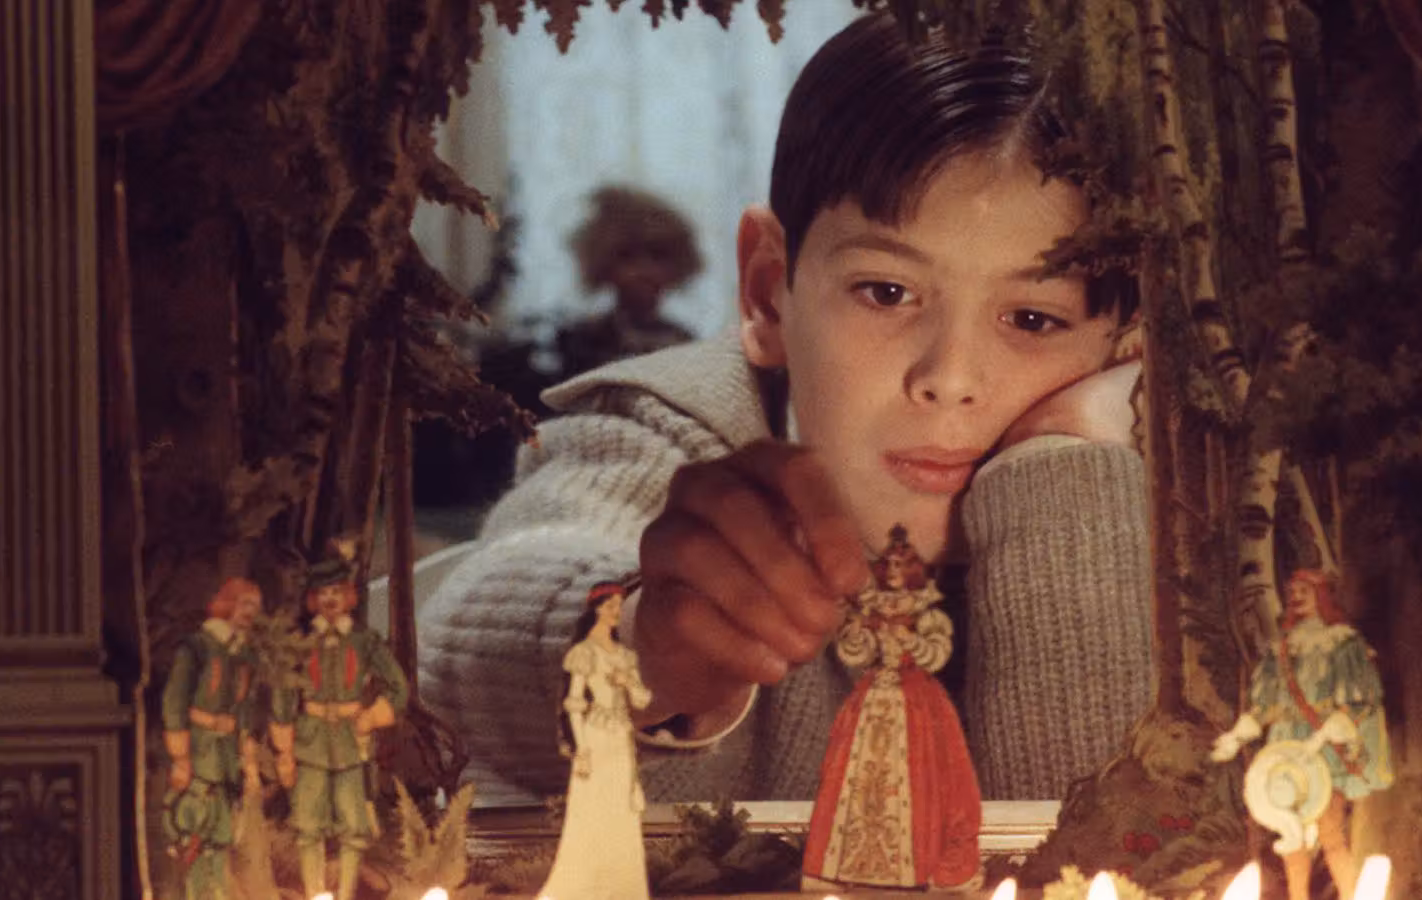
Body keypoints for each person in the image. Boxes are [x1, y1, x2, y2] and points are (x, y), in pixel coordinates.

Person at [419, 11, 1153, 803]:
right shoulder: (676, 429)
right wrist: (639, 643)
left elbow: (1120, 843)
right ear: (768, 292)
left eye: (1034, 319)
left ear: (1128, 343)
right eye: (886, 292)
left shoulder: (1195, 502)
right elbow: (482, 636)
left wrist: (1065, 474)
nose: (948, 378)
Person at [802, 525, 981, 890]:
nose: (895, 571)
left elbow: (936, 655)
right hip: (873, 699)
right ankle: (849, 867)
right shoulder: (873, 608)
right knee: (858, 778)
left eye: (901, 565)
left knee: (921, 774)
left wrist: (910, 642)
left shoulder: (925, 613)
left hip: (916, 702)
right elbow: (857, 654)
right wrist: (856, 633)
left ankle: (913, 865)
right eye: (890, 565)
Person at [1210, 570, 1393, 900]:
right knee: (1290, 836)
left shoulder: (1341, 643)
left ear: (1322, 594)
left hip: (1322, 751)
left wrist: (1320, 739)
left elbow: (1356, 703)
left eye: (1304, 590)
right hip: (1284, 751)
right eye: (1292, 590)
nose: (1296, 596)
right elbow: (1265, 707)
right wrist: (1236, 737)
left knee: (1331, 834)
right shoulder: (1281, 649)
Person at [271, 542, 409, 900]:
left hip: (351, 743)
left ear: (348, 596)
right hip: (310, 743)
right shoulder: (301, 642)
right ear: (314, 599)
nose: (330, 600)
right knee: (308, 825)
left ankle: (346, 894)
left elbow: (398, 687)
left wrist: (371, 716)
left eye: (336, 592)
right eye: (323, 593)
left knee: (353, 826)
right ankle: (314, 892)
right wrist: (284, 746)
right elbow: (284, 690)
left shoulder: (364, 642)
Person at [538, 580, 656, 900]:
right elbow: (574, 703)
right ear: (597, 610)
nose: (617, 612)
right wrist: (582, 748)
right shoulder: (584, 653)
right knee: (593, 807)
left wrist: (627, 682)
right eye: (611, 606)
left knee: (620, 808)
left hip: (620, 736)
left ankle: (623, 888)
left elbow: (643, 700)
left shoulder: (624, 655)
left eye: (619, 606)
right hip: (595, 735)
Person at [160, 577, 263, 900]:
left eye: (255, 607)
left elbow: (244, 710)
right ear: (228, 603)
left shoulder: (244, 655)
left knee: (221, 838)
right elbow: (175, 700)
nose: (249, 612)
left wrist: (247, 760)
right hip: (199, 756)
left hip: (227, 762)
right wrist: (180, 757)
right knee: (194, 836)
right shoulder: (197, 647)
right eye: (245, 604)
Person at [554, 185, 703, 381]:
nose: (644, 270)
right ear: (604, 264)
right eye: (627, 257)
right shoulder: (582, 339)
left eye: (658, 256)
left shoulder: (685, 343)